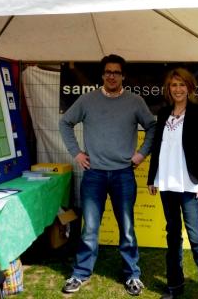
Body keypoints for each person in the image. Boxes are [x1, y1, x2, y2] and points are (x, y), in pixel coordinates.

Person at [59, 54, 156, 296]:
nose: (112, 76)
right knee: (90, 227)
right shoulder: (87, 100)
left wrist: (142, 154)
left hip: (123, 173)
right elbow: (65, 123)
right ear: (102, 75)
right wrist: (77, 153)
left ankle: (132, 275)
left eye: (116, 72)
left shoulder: (135, 101)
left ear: (123, 76)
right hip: (95, 175)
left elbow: (152, 127)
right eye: (108, 72)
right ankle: (80, 273)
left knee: (127, 227)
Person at [147, 68, 198, 299]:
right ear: (168, 89)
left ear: (190, 88)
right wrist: (152, 177)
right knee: (172, 236)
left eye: (181, 85)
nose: (177, 89)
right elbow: (158, 147)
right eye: (173, 85)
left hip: (188, 184)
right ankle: (174, 287)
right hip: (166, 183)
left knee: (196, 238)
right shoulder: (163, 112)